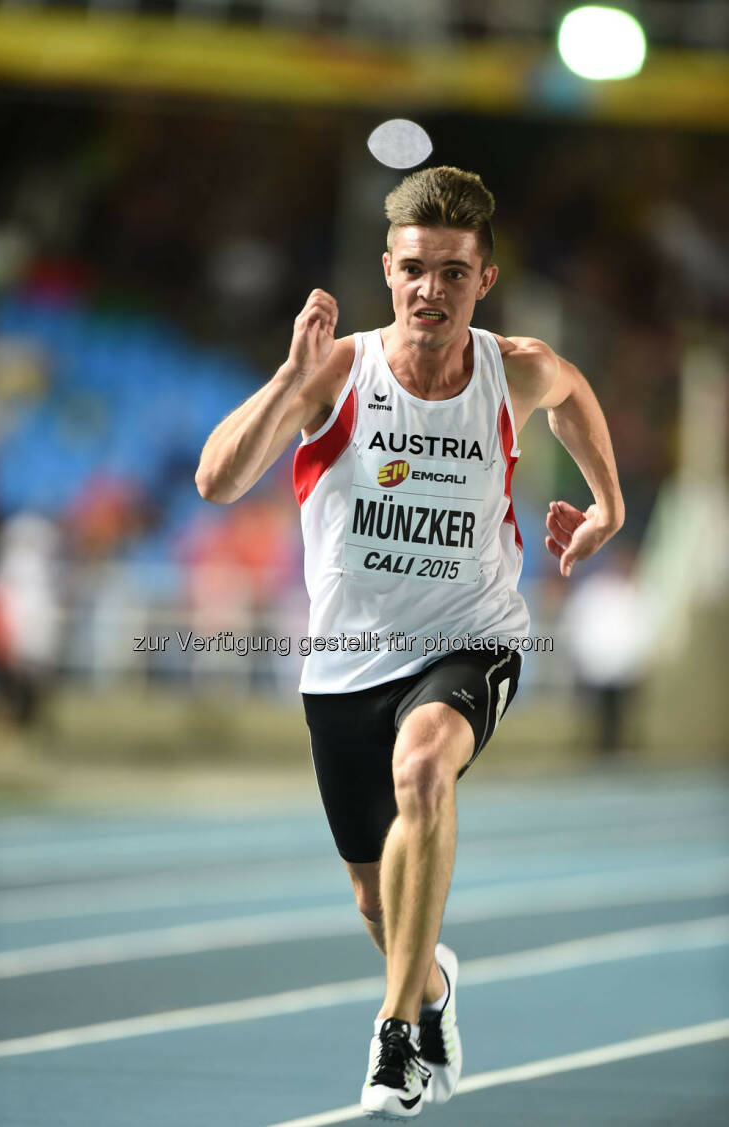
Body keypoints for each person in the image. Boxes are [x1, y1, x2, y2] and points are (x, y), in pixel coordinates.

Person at [195, 165, 625, 1120]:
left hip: (475, 638)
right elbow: (218, 482)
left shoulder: (511, 369)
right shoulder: (340, 372)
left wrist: (609, 503)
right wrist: (288, 376)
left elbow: (572, 388)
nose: (433, 290)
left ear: (486, 280)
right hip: (347, 663)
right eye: (416, 270)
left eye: (455, 274)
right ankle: (428, 986)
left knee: (424, 770)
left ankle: (395, 1035)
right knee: (374, 903)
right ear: (388, 271)